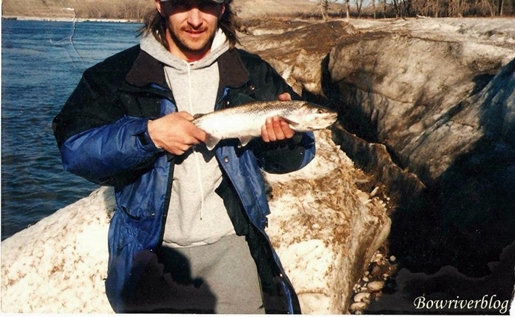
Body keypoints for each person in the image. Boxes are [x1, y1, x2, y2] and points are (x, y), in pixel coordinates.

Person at [53, 0, 315, 314]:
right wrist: (147, 136)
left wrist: (284, 142)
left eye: (206, 5)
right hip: (149, 256)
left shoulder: (252, 72)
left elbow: (298, 155)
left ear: (222, 8)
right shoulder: (114, 75)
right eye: (181, 4)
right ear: (160, 4)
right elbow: (75, 151)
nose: (194, 19)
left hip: (233, 251)